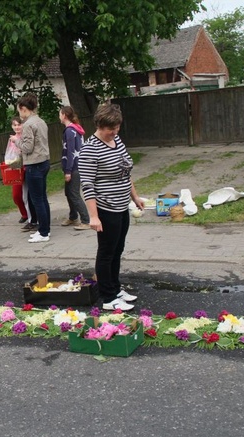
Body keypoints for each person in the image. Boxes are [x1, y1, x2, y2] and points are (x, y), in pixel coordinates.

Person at [79, 103, 144, 311]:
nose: (114, 132)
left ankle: (115, 288)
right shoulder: (90, 149)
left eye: (117, 127)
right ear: (99, 125)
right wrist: (94, 216)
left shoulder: (116, 140)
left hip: (121, 206)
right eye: (110, 129)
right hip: (106, 209)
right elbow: (87, 185)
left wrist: (135, 197)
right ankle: (108, 298)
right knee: (106, 252)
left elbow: (126, 171)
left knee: (118, 249)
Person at [10, 93, 51, 243]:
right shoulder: (41, 121)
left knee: (37, 199)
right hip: (45, 162)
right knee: (42, 198)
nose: (19, 114)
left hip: (34, 164)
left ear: (23, 108)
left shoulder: (28, 124)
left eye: (19, 110)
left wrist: (16, 141)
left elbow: (27, 147)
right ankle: (45, 229)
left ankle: (44, 232)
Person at [59, 106, 90, 230]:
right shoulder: (75, 129)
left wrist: (68, 171)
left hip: (74, 168)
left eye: (60, 114)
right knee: (68, 192)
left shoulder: (69, 131)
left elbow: (71, 152)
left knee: (74, 194)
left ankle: (86, 220)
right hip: (77, 166)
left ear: (64, 115)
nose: (59, 116)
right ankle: (73, 217)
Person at [8, 117, 37, 229]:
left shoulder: (25, 136)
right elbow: (11, 154)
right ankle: (26, 215)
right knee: (16, 195)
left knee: (28, 195)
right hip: (17, 168)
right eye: (14, 125)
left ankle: (32, 218)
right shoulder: (12, 139)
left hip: (27, 167)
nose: (17, 127)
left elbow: (26, 149)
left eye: (19, 125)